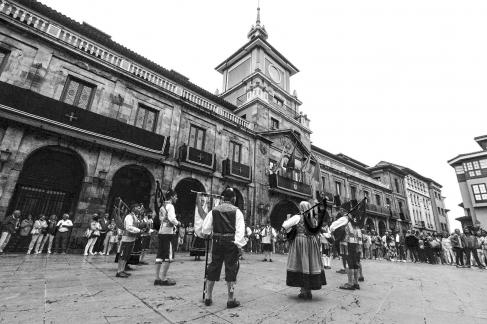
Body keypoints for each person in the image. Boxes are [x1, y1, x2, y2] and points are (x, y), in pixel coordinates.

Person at [202, 187, 247, 308]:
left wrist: (212, 234)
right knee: (231, 269)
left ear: (223, 198)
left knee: (213, 267)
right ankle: (230, 299)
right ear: (233, 198)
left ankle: (208, 297)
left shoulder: (214, 210)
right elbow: (240, 231)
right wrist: (239, 246)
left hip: (216, 242)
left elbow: (205, 229)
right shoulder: (237, 212)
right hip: (231, 243)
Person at [282, 200, 326, 300]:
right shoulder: (313, 218)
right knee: (310, 265)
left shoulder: (298, 217)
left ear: (301, 208)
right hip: (312, 242)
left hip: (301, 241)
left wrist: (288, 219)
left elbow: (285, 225)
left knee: (301, 264)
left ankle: (303, 290)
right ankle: (308, 291)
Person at [154, 189, 180, 285]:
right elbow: (172, 218)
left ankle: (157, 278)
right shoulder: (170, 206)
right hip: (168, 233)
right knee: (168, 256)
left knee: (159, 256)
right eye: (176, 196)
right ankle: (163, 279)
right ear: (172, 197)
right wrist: (178, 223)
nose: (176, 198)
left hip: (161, 231)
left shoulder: (162, 206)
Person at [116, 204, 142, 278]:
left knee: (126, 255)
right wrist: (139, 230)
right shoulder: (129, 216)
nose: (139, 209)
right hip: (126, 238)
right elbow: (128, 227)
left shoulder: (135, 217)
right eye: (138, 207)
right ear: (133, 208)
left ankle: (122, 270)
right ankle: (119, 271)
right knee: (123, 255)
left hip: (131, 238)